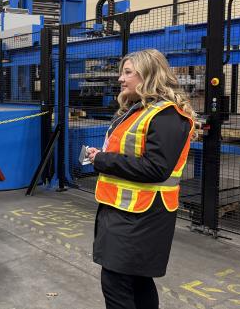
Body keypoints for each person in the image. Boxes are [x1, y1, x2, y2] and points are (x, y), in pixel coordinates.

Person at [86, 49, 195, 309]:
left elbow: (157, 168)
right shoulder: (138, 110)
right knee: (137, 282)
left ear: (149, 75)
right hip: (125, 211)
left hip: (143, 215)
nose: (121, 79)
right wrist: (102, 156)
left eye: (128, 72)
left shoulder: (166, 116)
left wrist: (102, 160)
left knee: (117, 284)